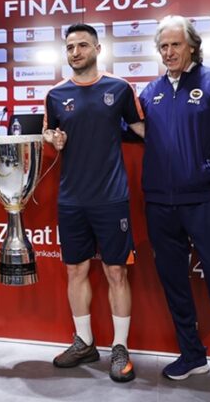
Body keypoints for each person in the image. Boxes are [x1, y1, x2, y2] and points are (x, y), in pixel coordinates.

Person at [139, 15, 210, 401]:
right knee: (174, 282)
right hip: (159, 203)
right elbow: (128, 131)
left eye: (175, 45)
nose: (168, 53)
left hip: (203, 202)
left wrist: (205, 175)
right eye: (163, 47)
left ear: (192, 45)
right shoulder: (150, 92)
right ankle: (192, 354)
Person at [43, 23, 144, 383]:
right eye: (70, 46)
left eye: (83, 45)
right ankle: (84, 341)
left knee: (116, 272)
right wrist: (51, 137)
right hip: (71, 199)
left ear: (98, 49)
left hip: (111, 197)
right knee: (75, 270)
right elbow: (48, 132)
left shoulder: (119, 88)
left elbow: (142, 129)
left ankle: (120, 348)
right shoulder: (55, 94)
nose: (75, 52)